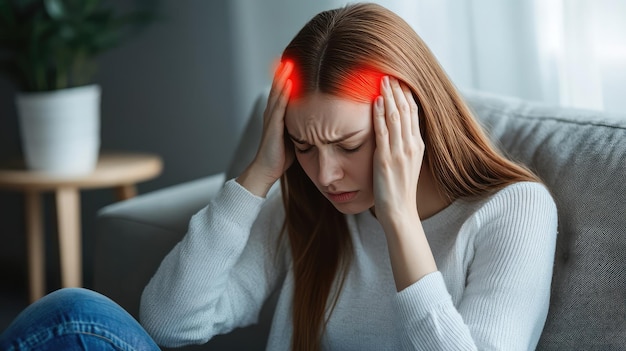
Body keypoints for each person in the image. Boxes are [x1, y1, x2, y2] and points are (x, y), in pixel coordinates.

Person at [0, 3, 557, 350]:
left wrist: (399, 220)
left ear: (407, 121)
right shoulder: (308, 206)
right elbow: (170, 322)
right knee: (74, 314)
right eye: (305, 146)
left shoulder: (514, 210)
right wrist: (260, 174)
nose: (326, 174)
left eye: (350, 144)